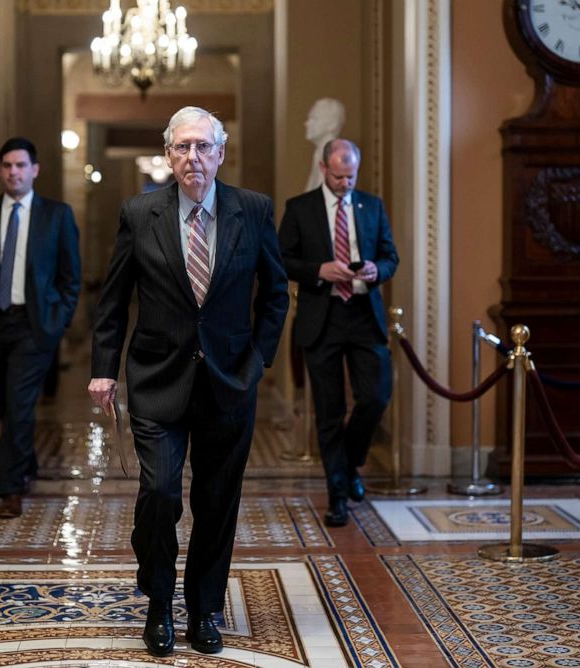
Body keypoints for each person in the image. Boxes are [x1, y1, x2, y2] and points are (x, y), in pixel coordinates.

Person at [89, 107, 288, 657]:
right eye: (182, 148)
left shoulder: (252, 210)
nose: (192, 158)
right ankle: (158, 604)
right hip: (157, 379)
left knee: (217, 499)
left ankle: (204, 608)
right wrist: (104, 368)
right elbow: (112, 301)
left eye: (202, 147)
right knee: (158, 493)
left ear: (220, 153)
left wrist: (257, 361)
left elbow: (275, 294)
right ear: (169, 154)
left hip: (229, 381)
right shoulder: (139, 212)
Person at [0, 137, 81, 520]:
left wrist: (56, 322)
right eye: (7, 166)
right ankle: (25, 462)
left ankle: (10, 488)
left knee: (19, 403)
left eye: (20, 165)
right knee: (6, 404)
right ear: (1, 170)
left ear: (35, 170)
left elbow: (70, 278)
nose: (14, 172)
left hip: (34, 326)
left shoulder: (56, 215)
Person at [278, 138, 398, 528]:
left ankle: (347, 466)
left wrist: (377, 270)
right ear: (323, 168)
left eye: (352, 176)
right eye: (339, 175)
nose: (346, 182)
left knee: (375, 398)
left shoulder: (372, 205)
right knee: (328, 413)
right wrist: (319, 270)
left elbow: (389, 255)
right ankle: (337, 497)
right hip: (322, 316)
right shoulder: (300, 208)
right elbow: (282, 259)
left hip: (365, 314)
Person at [303, 98, 345, 192]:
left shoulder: (332, 157)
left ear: (332, 124)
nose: (307, 123)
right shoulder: (320, 152)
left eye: (314, 118)